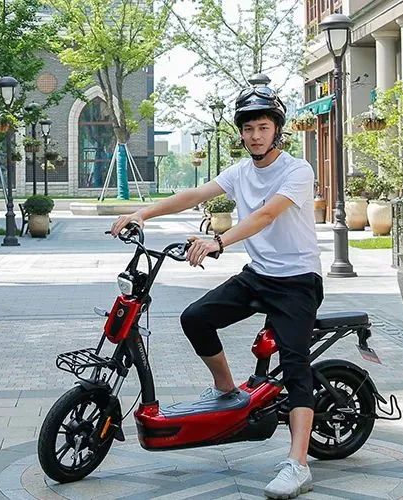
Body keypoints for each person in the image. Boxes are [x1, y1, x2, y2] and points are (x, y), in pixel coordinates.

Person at [110, 82, 321, 499]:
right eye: (248, 128)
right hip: (258, 274)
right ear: (240, 134)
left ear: (276, 129)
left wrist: (220, 241)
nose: (255, 135)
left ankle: (297, 464)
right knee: (196, 318)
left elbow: (265, 215)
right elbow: (194, 194)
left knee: (296, 366)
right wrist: (143, 211)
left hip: (297, 281)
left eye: (263, 126)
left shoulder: (297, 170)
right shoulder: (241, 172)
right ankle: (226, 389)